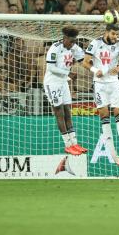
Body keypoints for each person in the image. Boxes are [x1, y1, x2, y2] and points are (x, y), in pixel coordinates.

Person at [82, 22, 119, 165]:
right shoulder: (95, 43)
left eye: (117, 34)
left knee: (118, 113)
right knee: (104, 116)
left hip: (114, 83)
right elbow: (85, 62)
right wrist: (94, 71)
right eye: (113, 34)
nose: (115, 37)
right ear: (107, 32)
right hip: (99, 85)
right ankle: (113, 154)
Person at [44, 26, 87, 156]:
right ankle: (67, 145)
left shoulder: (73, 48)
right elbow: (51, 67)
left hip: (63, 82)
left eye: (74, 41)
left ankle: (74, 143)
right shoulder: (55, 48)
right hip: (52, 83)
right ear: (65, 38)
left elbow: (85, 59)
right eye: (71, 41)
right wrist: (68, 73)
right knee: (59, 112)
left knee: (68, 110)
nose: (73, 44)